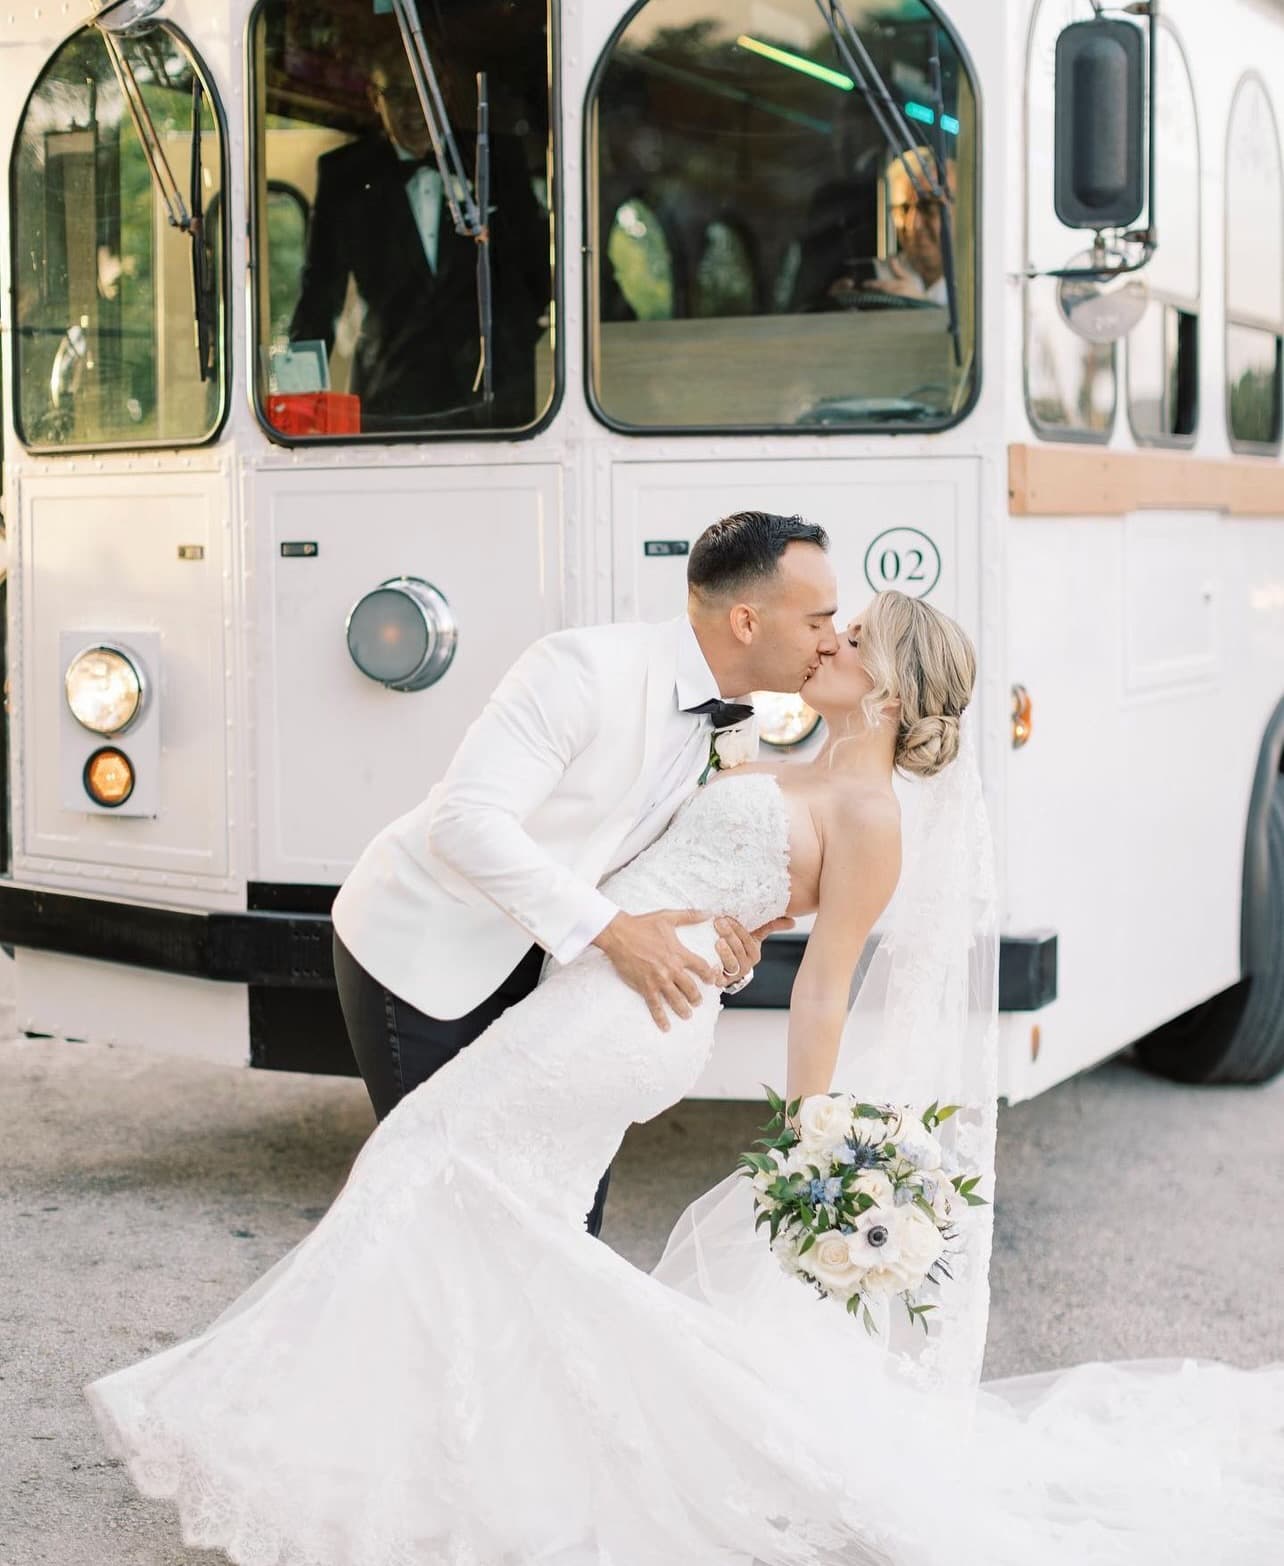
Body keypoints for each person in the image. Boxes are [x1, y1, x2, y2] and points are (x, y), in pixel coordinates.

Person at [85, 588, 1284, 1565]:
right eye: (830, 626)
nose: (828, 642)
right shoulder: (780, 751)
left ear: (894, 688)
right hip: (604, 986)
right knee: (507, 1217)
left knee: (425, 1164)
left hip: (636, 1015)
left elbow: (826, 982)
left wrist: (813, 1135)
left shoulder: (870, 811)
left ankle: (272, 1422)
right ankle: (498, 1445)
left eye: (853, 639)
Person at [331, 510, 839, 1236]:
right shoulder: (579, 669)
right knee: (448, 1209)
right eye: (819, 619)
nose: (830, 640)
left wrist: (722, 944)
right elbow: (466, 823)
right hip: (425, 948)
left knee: (559, 1219)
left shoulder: (735, 720)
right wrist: (616, 933)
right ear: (748, 622)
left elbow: (666, 861)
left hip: (566, 981)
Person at [286, 42, 550, 432]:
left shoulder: (496, 158)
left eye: (423, 90)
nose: (413, 108)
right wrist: (296, 400)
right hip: (391, 396)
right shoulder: (344, 175)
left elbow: (537, 270)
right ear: (375, 99)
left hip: (495, 395)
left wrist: (514, 346)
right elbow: (318, 295)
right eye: (396, 93)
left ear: (443, 89)